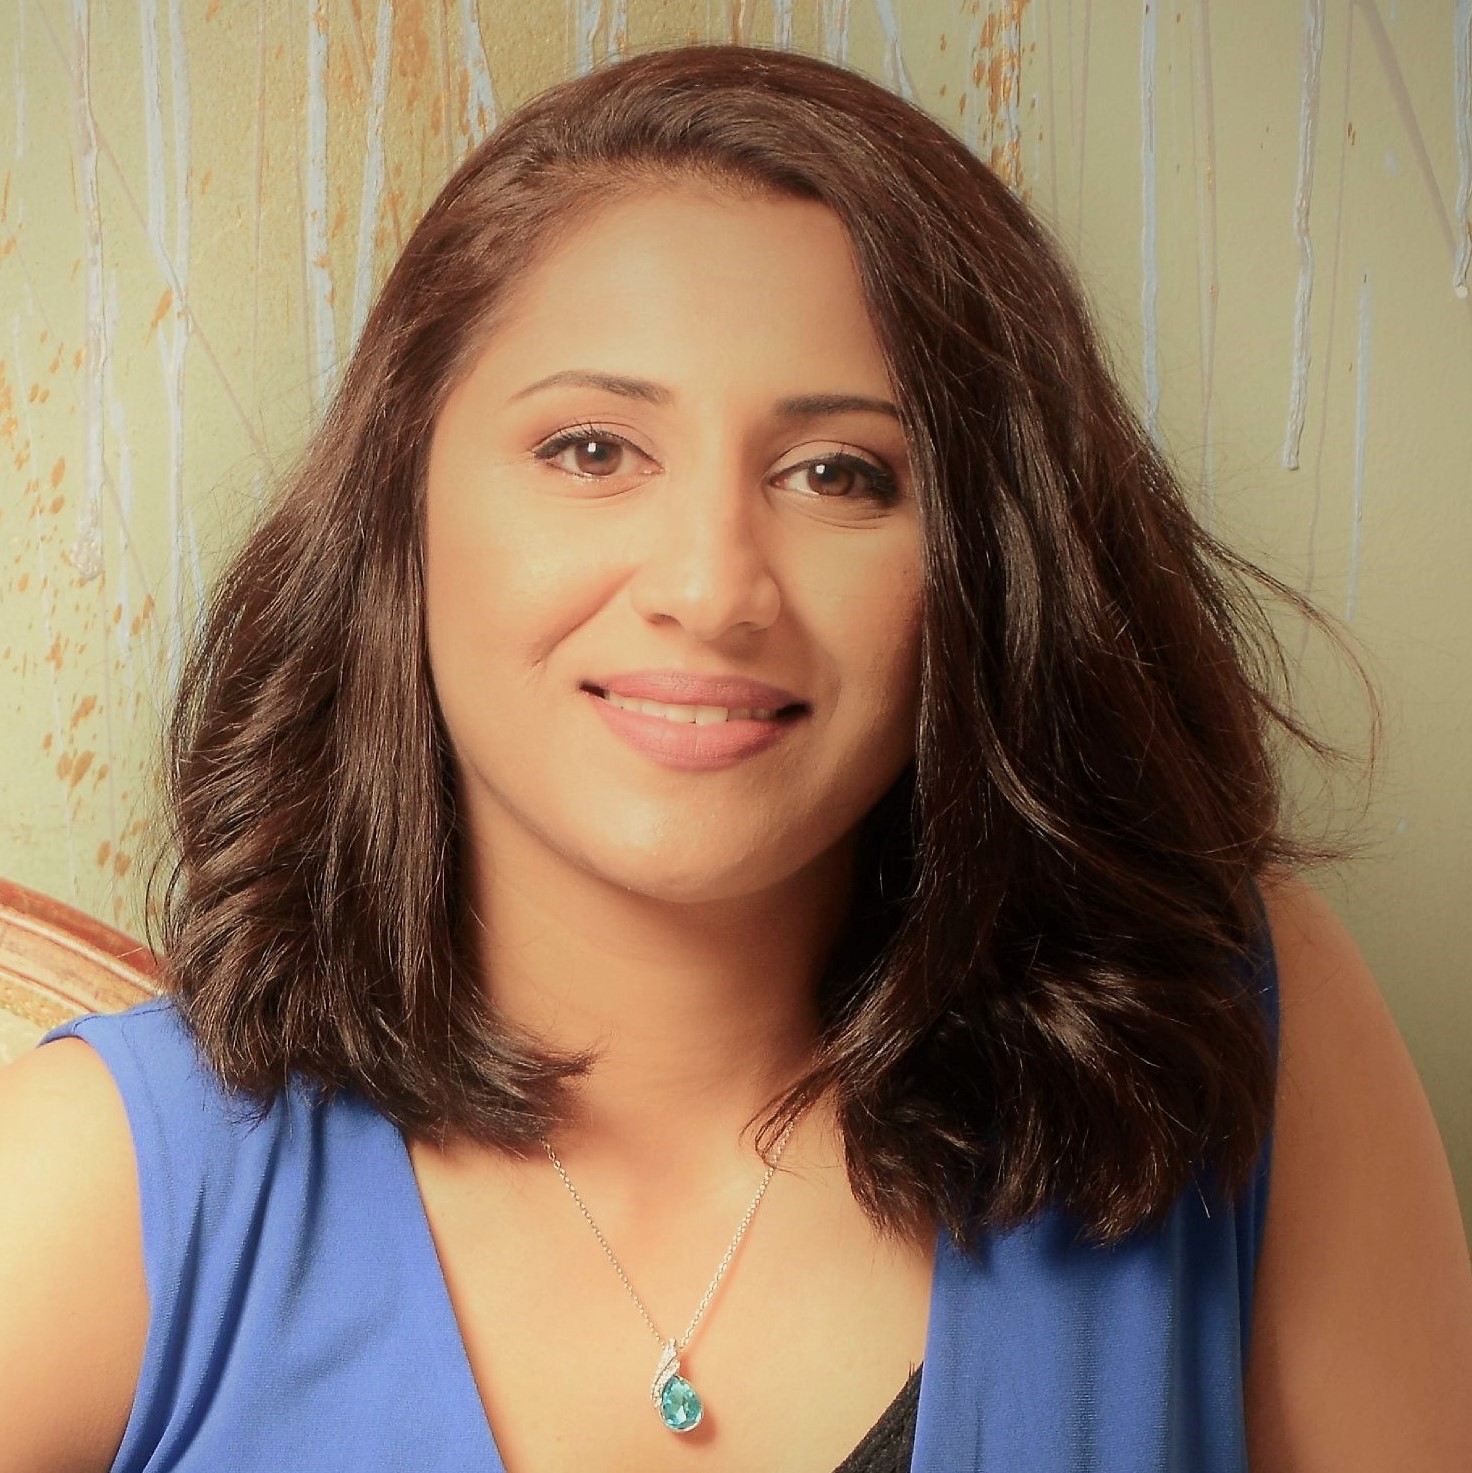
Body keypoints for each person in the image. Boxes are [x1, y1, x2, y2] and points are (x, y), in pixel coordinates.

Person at [1, 40, 1469, 1473]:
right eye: (592, 450)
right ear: (401, 509)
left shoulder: (1222, 1038)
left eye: (839, 474)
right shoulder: (105, 1190)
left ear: (986, 563)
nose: (713, 589)